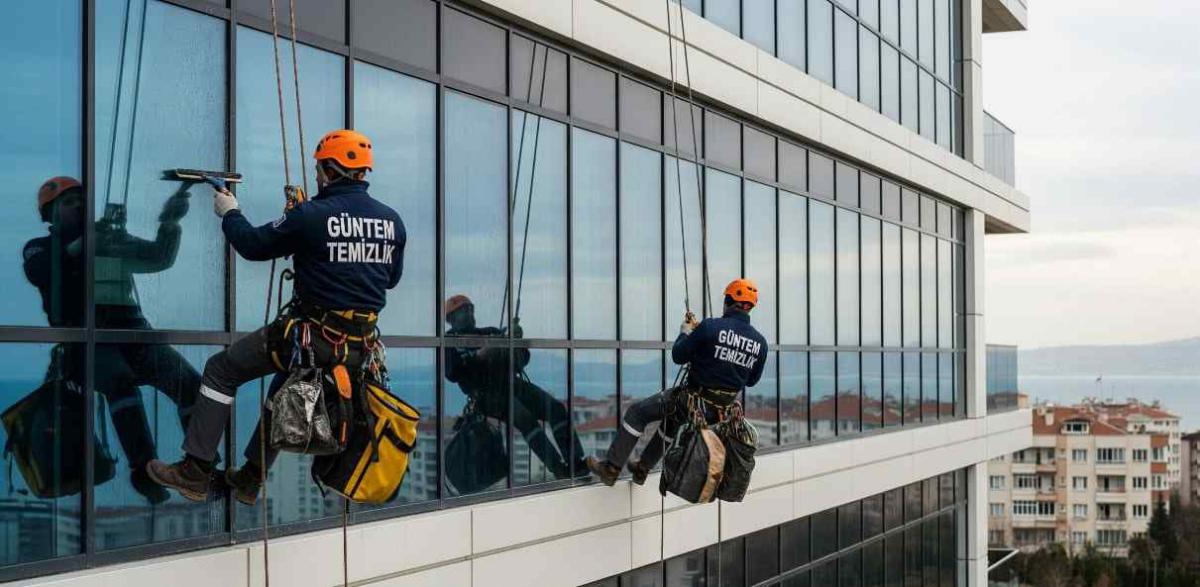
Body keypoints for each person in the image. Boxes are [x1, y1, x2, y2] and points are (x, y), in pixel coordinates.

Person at [146, 130, 407, 504]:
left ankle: (195, 470)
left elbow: (253, 245)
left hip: (311, 334)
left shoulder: (312, 215)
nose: (317, 175)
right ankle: (250, 479)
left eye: (320, 168)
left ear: (330, 169)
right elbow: (390, 279)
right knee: (284, 389)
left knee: (222, 369)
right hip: (356, 347)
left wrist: (229, 212)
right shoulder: (392, 221)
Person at [23, 176, 201, 503]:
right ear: (50, 215)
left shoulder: (106, 239)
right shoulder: (41, 248)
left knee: (190, 384)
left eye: (80, 201)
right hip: (85, 338)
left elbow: (158, 257)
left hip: (132, 330)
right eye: (68, 203)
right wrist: (90, 241)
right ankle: (144, 469)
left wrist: (170, 222)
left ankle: (199, 466)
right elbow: (44, 270)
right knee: (120, 383)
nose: (78, 206)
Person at [585, 279, 768, 486]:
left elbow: (678, 355)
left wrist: (685, 332)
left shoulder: (710, 327)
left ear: (728, 300)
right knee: (672, 422)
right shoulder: (760, 343)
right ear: (750, 307)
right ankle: (642, 468)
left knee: (637, 413)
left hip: (690, 399)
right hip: (715, 412)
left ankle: (611, 467)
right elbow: (751, 381)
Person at [444, 295, 584, 482]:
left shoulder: (489, 333)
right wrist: (480, 356)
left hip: (511, 383)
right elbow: (452, 373)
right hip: (486, 393)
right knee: (525, 419)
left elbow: (521, 361)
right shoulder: (449, 342)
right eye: (463, 311)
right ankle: (558, 468)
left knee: (556, 409)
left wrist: (515, 342)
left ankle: (576, 461)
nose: (469, 314)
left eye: (470, 310)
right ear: (451, 319)